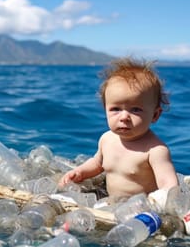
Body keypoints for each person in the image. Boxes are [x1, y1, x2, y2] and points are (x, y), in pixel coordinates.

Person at [59, 57, 179, 199]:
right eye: (115, 109)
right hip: (113, 205)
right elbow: (97, 163)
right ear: (105, 109)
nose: (124, 117)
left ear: (155, 115)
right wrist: (80, 172)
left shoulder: (155, 151)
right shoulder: (107, 139)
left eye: (135, 110)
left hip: (141, 211)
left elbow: (169, 186)